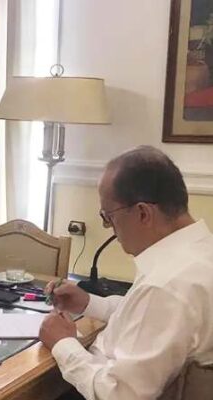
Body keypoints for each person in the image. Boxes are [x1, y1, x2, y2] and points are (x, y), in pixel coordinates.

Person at [39, 146, 213, 399]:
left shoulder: (165, 285)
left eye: (108, 216)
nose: (107, 227)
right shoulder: (197, 253)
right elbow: (145, 319)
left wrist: (63, 344)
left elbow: (121, 394)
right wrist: (88, 303)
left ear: (143, 213)